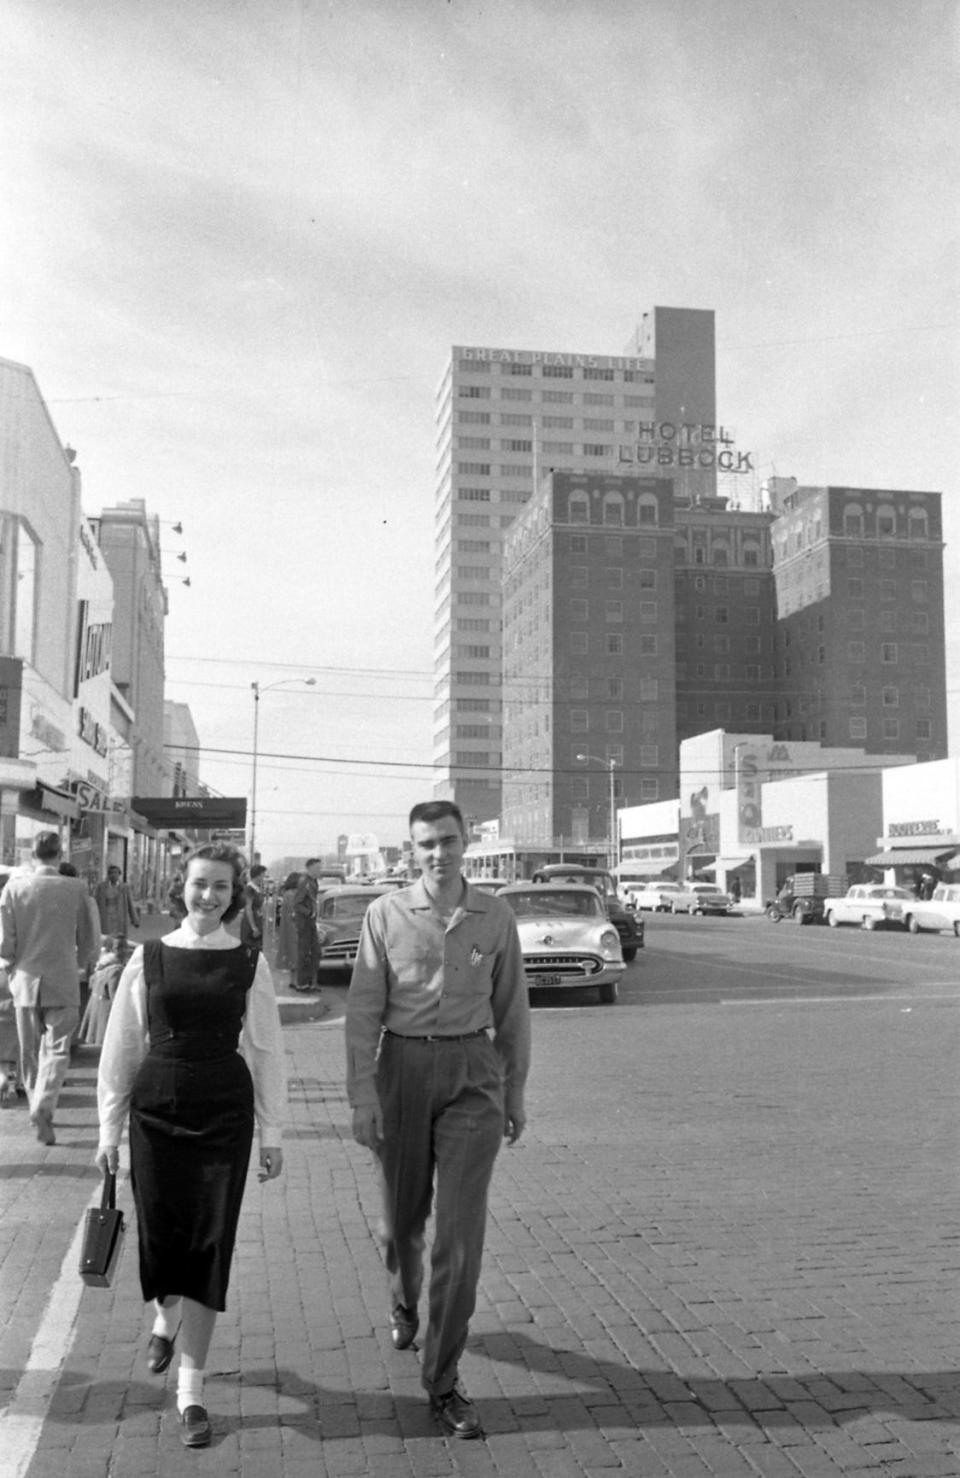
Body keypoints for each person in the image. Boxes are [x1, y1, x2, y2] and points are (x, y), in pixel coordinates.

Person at [346, 800, 531, 1440]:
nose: (439, 853)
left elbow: (513, 1012)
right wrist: (362, 1096)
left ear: (466, 844)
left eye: (449, 841)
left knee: (460, 1235)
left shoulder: (496, 914)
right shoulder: (386, 915)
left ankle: (444, 1378)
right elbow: (363, 1012)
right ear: (411, 848)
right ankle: (404, 1298)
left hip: (473, 1076)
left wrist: (515, 1092)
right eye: (426, 844)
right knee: (401, 1222)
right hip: (400, 1071)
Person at [96, 844, 287, 1449]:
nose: (209, 897)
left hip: (222, 1117)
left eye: (222, 888)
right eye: (201, 885)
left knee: (209, 1243)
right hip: (156, 1111)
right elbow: (122, 1048)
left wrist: (273, 1130)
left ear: (236, 895)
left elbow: (266, 1050)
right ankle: (166, 1312)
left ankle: (191, 1389)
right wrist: (108, 1129)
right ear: (183, 886)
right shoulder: (147, 958)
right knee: (160, 1237)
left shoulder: (249, 963)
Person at [0, 831, 96, 1144]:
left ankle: (34, 1103)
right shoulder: (76, 888)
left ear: (32, 856)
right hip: (63, 978)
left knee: (29, 1053)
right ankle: (45, 1102)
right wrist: (79, 963)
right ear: (60, 854)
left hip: (26, 981)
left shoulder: (13, 889)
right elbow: (89, 938)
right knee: (57, 1049)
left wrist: (13, 964)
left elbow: (4, 943)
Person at [79, 934, 130, 1046]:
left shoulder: (102, 965)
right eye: (119, 948)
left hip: (97, 1011)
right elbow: (116, 997)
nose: (124, 951)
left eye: (125, 947)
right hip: (105, 1015)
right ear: (111, 949)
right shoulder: (116, 970)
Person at [292, 858, 324, 992]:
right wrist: (310, 912)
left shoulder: (313, 882)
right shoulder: (304, 881)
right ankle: (302, 983)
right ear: (309, 868)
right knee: (304, 953)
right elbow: (297, 903)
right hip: (304, 922)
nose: (319, 871)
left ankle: (311, 982)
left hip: (311, 922)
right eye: (317, 868)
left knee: (315, 952)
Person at [93, 863, 141, 942]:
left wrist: (135, 920)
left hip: (119, 917)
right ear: (108, 875)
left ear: (119, 874)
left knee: (119, 939)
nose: (113, 875)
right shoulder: (101, 887)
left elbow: (130, 905)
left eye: (115, 873)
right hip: (105, 916)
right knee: (106, 939)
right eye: (111, 873)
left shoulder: (124, 888)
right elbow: (94, 903)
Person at [274, 871, 301, 985]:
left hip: (287, 926)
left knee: (291, 953)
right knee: (298, 953)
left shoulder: (286, 894)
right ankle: (297, 981)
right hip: (296, 926)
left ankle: (292, 980)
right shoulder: (295, 894)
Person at [240, 863, 267, 948]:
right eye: (263, 875)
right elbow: (248, 909)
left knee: (257, 948)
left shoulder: (257, 888)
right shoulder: (249, 889)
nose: (264, 877)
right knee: (251, 948)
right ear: (258, 875)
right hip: (250, 922)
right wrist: (253, 927)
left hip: (257, 919)